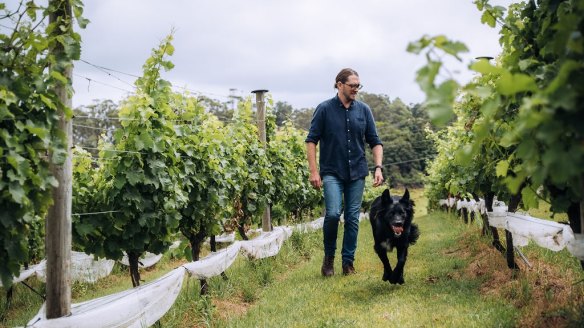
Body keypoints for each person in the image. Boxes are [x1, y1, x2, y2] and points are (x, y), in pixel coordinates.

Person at [305, 68, 384, 277]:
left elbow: (375, 142)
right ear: (339, 85)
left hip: (357, 172)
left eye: (358, 85)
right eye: (352, 85)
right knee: (332, 214)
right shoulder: (324, 109)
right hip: (332, 171)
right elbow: (311, 141)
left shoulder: (364, 110)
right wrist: (314, 171)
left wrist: (378, 167)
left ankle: (348, 263)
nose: (356, 89)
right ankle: (328, 258)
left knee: (352, 218)